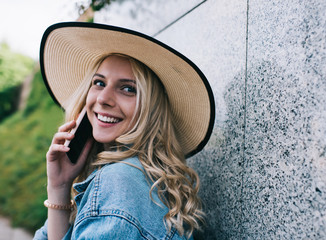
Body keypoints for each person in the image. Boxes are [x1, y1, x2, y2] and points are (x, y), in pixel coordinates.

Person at [34, 22, 215, 240]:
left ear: (151, 110)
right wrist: (59, 187)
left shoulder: (117, 183)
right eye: (99, 83)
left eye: (127, 88)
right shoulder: (128, 181)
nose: (102, 98)